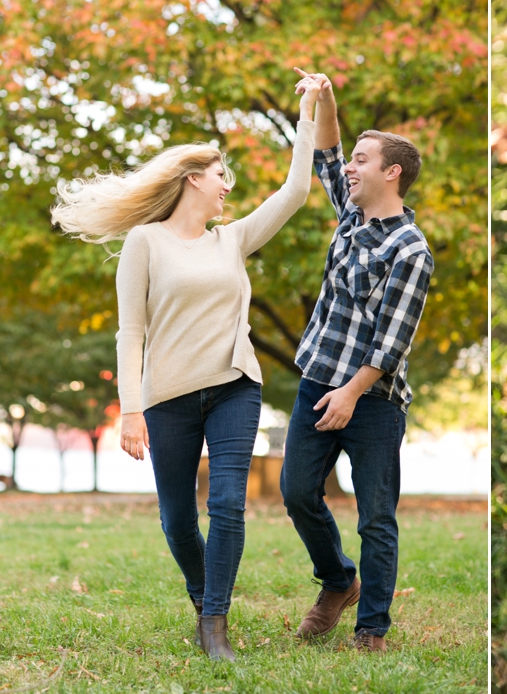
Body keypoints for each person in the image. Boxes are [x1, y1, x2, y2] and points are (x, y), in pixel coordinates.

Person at [50, 71, 324, 661]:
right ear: (194, 177)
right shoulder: (145, 243)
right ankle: (203, 600)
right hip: (168, 395)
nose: (229, 185)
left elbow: (295, 193)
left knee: (227, 503)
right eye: (222, 174)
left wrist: (308, 114)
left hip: (234, 386)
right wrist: (130, 410)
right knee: (177, 519)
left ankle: (216, 624)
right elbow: (132, 332)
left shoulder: (232, 240)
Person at [280, 69, 434, 653]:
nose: (351, 166)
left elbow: (392, 343)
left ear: (391, 172)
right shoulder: (350, 214)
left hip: (371, 402)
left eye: (363, 160)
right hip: (315, 382)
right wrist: (325, 94)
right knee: (297, 493)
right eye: (354, 159)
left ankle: (372, 628)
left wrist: (350, 393)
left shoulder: (409, 250)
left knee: (376, 516)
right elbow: (327, 144)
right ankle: (339, 580)